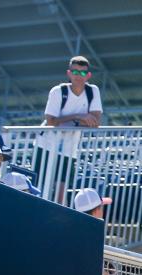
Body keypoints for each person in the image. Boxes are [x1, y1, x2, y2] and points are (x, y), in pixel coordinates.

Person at [38, 56, 103, 204]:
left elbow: (95, 121)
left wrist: (74, 119)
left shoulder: (93, 91)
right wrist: (79, 116)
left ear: (88, 76)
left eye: (82, 73)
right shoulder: (58, 91)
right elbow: (50, 121)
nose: (78, 76)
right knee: (42, 184)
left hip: (70, 145)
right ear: (69, 73)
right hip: (46, 143)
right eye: (75, 72)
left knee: (62, 187)